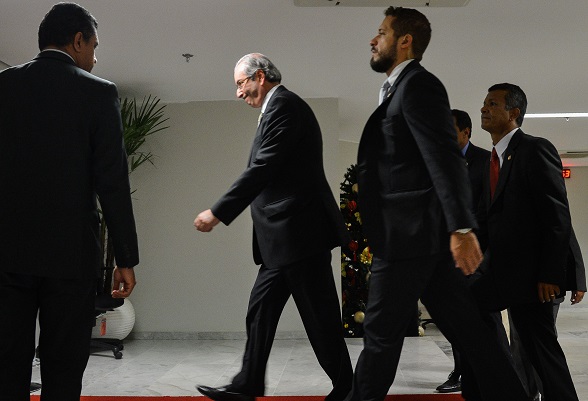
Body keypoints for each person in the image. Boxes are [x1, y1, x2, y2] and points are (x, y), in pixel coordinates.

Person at [345, 7, 530, 401]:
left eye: (381, 32)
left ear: (405, 41)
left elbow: (444, 157)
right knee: (471, 334)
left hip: (408, 237)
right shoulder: (399, 89)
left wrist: (461, 227)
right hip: (418, 237)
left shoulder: (419, 86)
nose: (373, 40)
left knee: (379, 335)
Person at [193, 53, 352, 401]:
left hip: (299, 235)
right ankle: (248, 384)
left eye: (240, 84)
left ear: (260, 77)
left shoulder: (285, 107)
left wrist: (218, 211)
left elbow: (263, 167)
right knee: (261, 311)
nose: (238, 93)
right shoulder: (278, 108)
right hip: (283, 240)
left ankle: (348, 388)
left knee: (319, 320)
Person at [0, 3, 139, 401]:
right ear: (77, 40)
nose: (95, 58)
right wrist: (124, 258)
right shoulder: (97, 92)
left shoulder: (4, 86)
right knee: (63, 363)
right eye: (94, 46)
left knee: (6, 361)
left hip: (7, 252)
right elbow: (112, 181)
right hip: (69, 255)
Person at [470, 82, 579, 401]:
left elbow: (557, 218)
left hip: (534, 279)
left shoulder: (534, 149)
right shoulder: (493, 158)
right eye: (484, 103)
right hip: (503, 276)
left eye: (492, 104)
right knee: (467, 311)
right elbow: (485, 221)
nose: (483, 109)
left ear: (513, 113)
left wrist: (550, 275)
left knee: (542, 352)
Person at [435, 109, 490, 394]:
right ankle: (461, 372)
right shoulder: (440, 163)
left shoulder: (483, 160)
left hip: (475, 256)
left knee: (480, 323)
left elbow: (486, 209)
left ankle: (486, 377)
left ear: (466, 132)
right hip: (446, 257)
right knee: (457, 320)